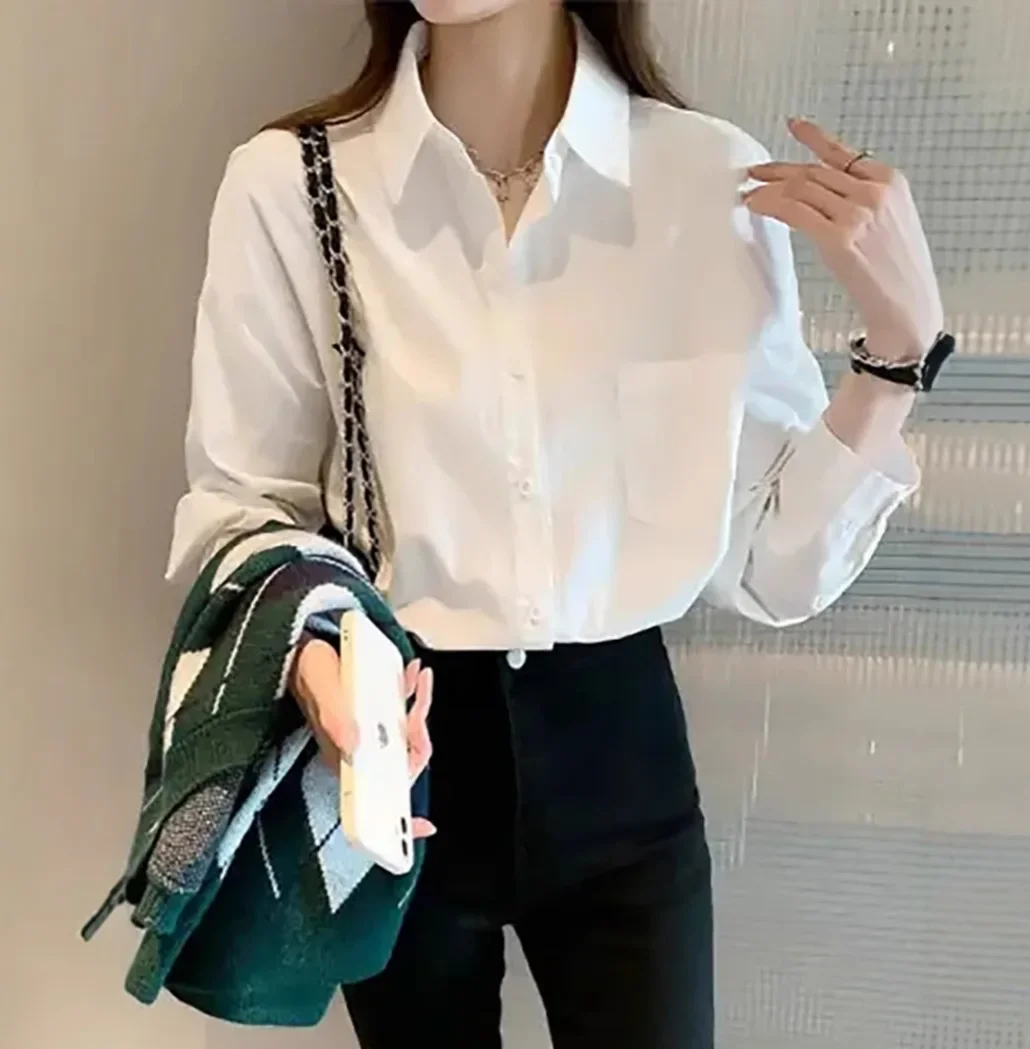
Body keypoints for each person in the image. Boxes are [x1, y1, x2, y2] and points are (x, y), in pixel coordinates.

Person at [168, 0, 945, 1045]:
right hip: (393, 742)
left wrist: (896, 355)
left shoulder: (703, 179)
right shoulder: (295, 182)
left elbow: (769, 564)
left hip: (623, 761)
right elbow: (245, 504)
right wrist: (311, 666)